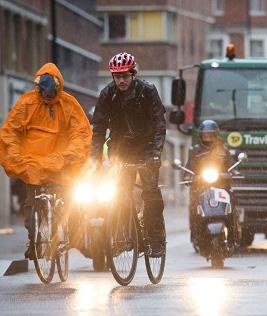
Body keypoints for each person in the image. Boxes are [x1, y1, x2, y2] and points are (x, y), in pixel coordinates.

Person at [0, 63, 92, 259]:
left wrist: (68, 156)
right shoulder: (26, 104)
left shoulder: (69, 105)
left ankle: (69, 233)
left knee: (69, 202)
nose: (48, 98)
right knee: (31, 205)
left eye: (51, 94)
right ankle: (34, 240)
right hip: (33, 165)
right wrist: (17, 157)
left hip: (61, 164)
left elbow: (80, 133)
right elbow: (10, 132)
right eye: (44, 94)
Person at [90, 51, 167, 257]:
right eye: (117, 76)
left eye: (125, 76)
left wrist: (156, 153)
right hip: (121, 151)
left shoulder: (148, 91)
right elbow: (98, 129)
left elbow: (160, 124)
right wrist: (94, 160)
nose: (121, 80)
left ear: (133, 74)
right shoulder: (107, 94)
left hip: (147, 149)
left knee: (150, 194)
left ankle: (156, 239)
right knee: (119, 195)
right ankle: (124, 236)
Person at [184, 120, 232, 246]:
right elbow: (187, 170)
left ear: (216, 136)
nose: (208, 138)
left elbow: (232, 167)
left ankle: (233, 231)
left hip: (221, 187)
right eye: (205, 136)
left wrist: (231, 173)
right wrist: (189, 176)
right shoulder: (195, 152)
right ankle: (196, 234)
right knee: (194, 206)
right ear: (201, 136)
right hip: (200, 188)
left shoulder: (224, 152)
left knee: (232, 204)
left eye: (211, 136)